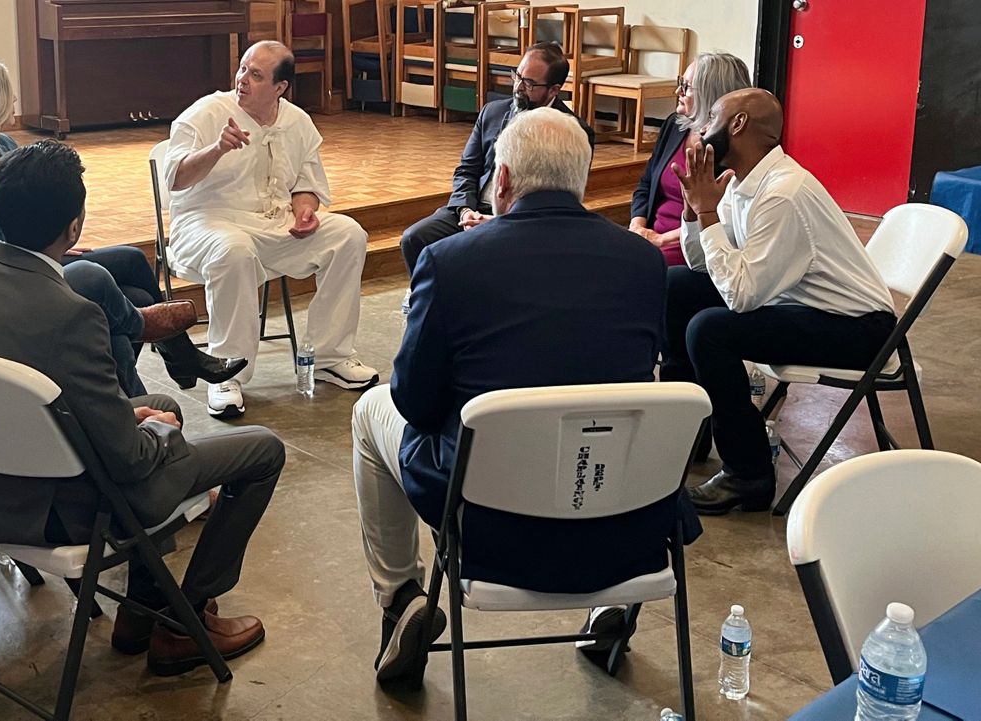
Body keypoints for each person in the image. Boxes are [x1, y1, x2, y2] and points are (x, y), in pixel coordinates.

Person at [351, 108, 700, 690]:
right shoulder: (642, 262)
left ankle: (401, 597)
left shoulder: (449, 262)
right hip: (623, 519)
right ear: (583, 179)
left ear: (503, 180)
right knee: (592, 415)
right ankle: (605, 604)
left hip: (492, 526)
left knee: (370, 411)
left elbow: (413, 400)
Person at [0, 139, 286, 676]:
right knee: (263, 450)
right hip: (69, 505)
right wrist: (154, 433)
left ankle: (139, 618)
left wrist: (138, 416)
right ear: (74, 226)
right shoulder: (71, 314)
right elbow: (127, 461)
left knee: (158, 400)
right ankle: (182, 619)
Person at [0, 57, 245, 391]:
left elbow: (36, 205)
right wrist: (46, 248)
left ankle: (157, 368)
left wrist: (53, 240)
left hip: (35, 248)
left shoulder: (3, 144)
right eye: (8, 95)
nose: (14, 102)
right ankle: (169, 363)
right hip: (13, 266)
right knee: (121, 291)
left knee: (133, 268)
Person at [664, 88, 896, 514]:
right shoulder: (740, 182)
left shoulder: (783, 193)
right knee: (676, 286)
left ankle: (747, 474)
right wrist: (695, 210)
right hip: (797, 304)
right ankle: (691, 429)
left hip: (858, 328)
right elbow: (704, 267)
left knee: (711, 330)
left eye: (713, 113)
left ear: (738, 125)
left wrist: (710, 215)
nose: (702, 124)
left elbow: (740, 293)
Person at [164, 40, 378, 419]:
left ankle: (330, 356)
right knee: (234, 249)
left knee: (348, 234)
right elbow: (176, 179)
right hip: (206, 222)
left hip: (274, 224)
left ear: (280, 88)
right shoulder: (207, 112)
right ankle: (227, 374)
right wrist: (216, 149)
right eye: (243, 68)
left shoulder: (297, 121)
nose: (243, 79)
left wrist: (305, 211)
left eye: (256, 75)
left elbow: (306, 184)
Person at [398, 42, 596, 273]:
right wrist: (465, 211)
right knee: (414, 238)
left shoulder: (572, 131)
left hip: (526, 221)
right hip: (472, 209)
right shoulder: (492, 112)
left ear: (554, 90)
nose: (519, 87)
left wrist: (497, 222)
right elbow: (466, 170)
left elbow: (563, 194)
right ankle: (427, 294)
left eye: (529, 83)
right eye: (518, 76)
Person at [629, 52, 751, 266]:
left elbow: (726, 218)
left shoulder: (735, 147)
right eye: (680, 83)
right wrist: (637, 227)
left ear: (710, 94)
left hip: (693, 249)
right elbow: (646, 185)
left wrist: (661, 239)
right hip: (649, 238)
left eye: (685, 87)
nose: (678, 91)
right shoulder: (674, 125)